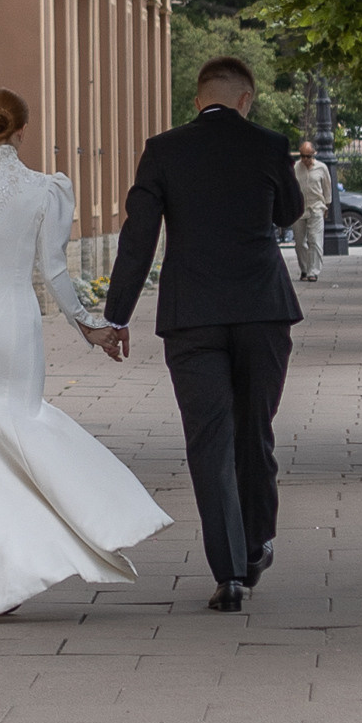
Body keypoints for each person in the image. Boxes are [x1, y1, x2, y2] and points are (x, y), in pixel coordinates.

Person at [0, 88, 171, 625]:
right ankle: (16, 563)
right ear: (22, 131)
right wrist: (89, 326)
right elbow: (53, 271)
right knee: (17, 431)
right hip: (18, 326)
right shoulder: (46, 190)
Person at [102, 55, 305, 612]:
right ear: (246, 99)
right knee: (255, 428)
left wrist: (116, 316)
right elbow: (289, 211)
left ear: (198, 100)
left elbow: (138, 236)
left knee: (209, 441)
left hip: (191, 314)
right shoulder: (268, 143)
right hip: (263, 309)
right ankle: (259, 540)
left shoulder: (163, 149)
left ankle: (229, 574)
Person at [293, 139, 333, 282]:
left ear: (314, 154)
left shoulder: (321, 168)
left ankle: (313, 271)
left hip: (316, 206)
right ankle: (304, 269)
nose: (305, 159)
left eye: (308, 156)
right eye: (302, 156)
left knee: (315, 240)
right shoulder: (295, 168)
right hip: (299, 208)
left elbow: (327, 187)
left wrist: (327, 205)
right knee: (299, 242)